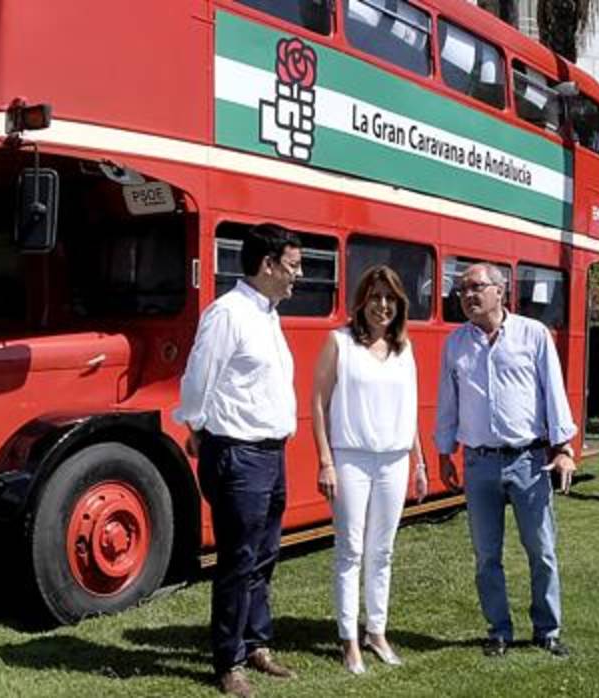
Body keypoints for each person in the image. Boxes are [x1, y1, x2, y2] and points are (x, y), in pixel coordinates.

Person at [173, 223, 303, 698]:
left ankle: (255, 643)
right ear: (267, 265)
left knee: (265, 555)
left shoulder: (266, 314)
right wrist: (197, 428)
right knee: (238, 560)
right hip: (239, 455)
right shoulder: (227, 314)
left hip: (271, 453)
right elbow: (197, 379)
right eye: (292, 265)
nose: (299, 275)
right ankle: (228, 661)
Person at [433, 262, 578, 659]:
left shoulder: (534, 335)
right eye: (462, 290)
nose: (467, 295)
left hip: (529, 462)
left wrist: (563, 449)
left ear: (501, 291)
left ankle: (547, 630)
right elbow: (448, 402)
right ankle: (499, 630)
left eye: (476, 287)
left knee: (542, 550)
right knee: (486, 556)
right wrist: (445, 453)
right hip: (479, 464)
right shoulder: (456, 344)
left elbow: (554, 392)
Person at [310, 265, 428, 675]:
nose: (382, 306)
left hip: (394, 460)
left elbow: (410, 409)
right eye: (376, 297)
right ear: (362, 301)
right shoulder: (339, 343)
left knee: (384, 551)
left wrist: (419, 461)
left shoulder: (404, 348)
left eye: (390, 299)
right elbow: (318, 405)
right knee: (351, 551)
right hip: (351, 459)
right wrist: (326, 461)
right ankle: (348, 640)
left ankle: (376, 631)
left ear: (399, 305)